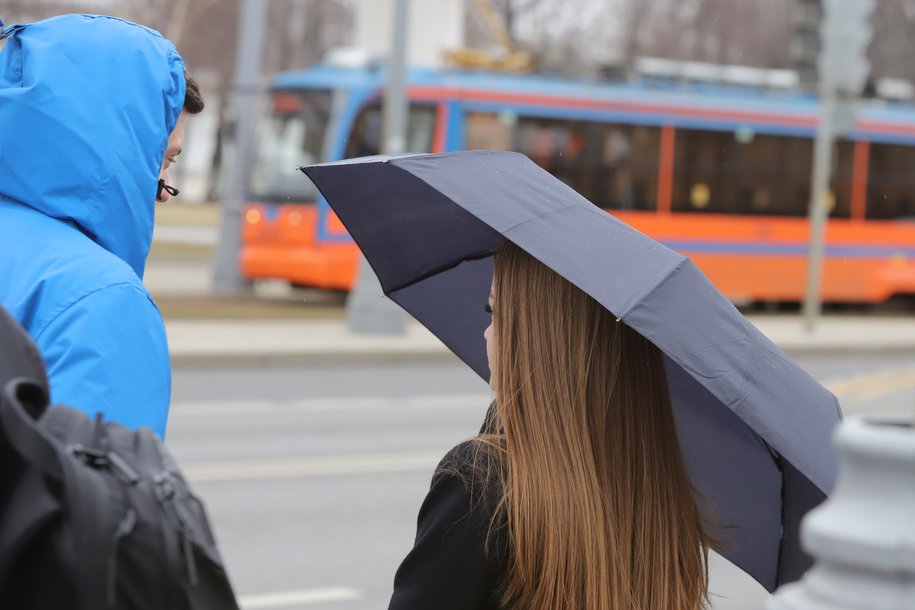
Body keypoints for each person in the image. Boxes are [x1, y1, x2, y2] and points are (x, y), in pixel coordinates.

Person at [389, 241, 714, 610]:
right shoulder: (657, 486)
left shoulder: (481, 480)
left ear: (539, 338)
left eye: (495, 312)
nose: (486, 333)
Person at [0, 14, 204, 438]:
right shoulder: (99, 296)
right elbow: (104, 500)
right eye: (164, 160)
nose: (164, 191)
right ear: (117, 149)